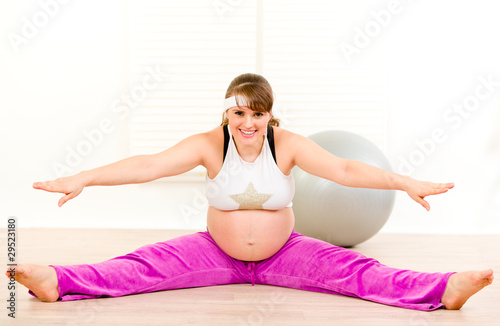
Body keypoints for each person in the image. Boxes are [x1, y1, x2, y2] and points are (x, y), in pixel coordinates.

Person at [6, 73, 493, 310]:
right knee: (139, 267)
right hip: (216, 252)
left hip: (286, 253)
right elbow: (149, 165)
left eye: (256, 114)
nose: (247, 123)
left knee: (360, 271)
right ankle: (55, 280)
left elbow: (345, 168)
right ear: (226, 114)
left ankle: (443, 289)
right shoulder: (208, 145)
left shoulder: (288, 144)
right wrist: (83, 178)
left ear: (268, 115)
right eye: (238, 113)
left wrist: (403, 181)